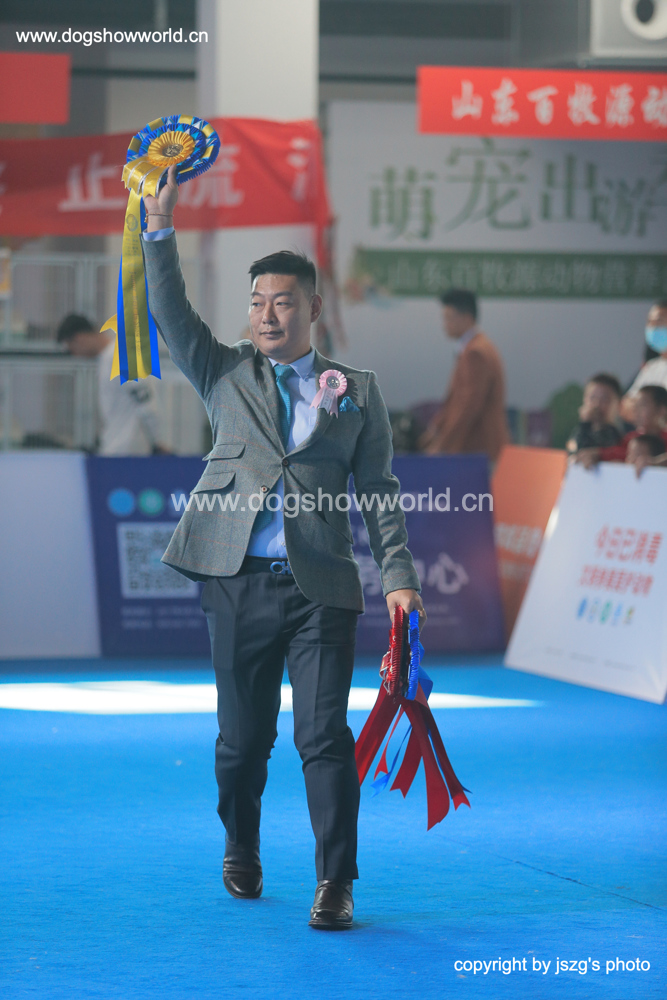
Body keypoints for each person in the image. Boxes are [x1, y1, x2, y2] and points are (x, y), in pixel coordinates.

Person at [141, 165, 425, 930]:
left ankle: (335, 882)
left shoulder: (356, 390)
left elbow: (379, 490)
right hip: (233, 580)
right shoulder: (222, 370)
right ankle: (240, 842)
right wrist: (158, 228)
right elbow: (168, 311)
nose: (267, 315)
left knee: (323, 737)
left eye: (282, 301)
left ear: (312, 308)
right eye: (257, 302)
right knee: (241, 744)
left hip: (320, 588)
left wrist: (398, 576)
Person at [57, 313, 169, 456]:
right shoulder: (106, 360)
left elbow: (146, 402)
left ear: (79, 339)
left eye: (71, 349)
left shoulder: (122, 356)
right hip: (117, 447)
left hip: (129, 450)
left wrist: (157, 442)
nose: (76, 355)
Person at [418, 288, 509, 462]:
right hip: (475, 449)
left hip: (479, 449)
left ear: (466, 318)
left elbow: (468, 407)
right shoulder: (474, 348)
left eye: (449, 318)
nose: (444, 324)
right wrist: (436, 428)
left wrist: (441, 444)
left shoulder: (476, 352)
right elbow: (457, 401)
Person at [576, 384, 667, 468]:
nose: (636, 410)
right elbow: (618, 453)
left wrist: (655, 462)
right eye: (636, 405)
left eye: (643, 405)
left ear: (662, 410)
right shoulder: (629, 439)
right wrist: (597, 454)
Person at [621, 299, 667, 422]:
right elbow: (625, 406)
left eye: (659, 321)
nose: (653, 328)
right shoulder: (651, 367)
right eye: (649, 322)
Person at [566, 373, 623, 455]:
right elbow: (574, 451)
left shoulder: (619, 436)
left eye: (604, 399)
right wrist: (585, 425)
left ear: (618, 404)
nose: (597, 404)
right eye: (592, 398)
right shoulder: (580, 429)